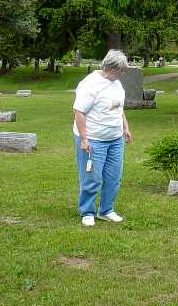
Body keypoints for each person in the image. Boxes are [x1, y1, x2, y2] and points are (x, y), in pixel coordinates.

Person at [72, 49, 132, 226]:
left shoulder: (117, 83)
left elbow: (118, 109)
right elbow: (79, 112)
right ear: (112, 68)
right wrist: (84, 139)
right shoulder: (90, 84)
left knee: (114, 177)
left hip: (114, 139)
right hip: (93, 139)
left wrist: (125, 128)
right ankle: (87, 212)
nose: (123, 73)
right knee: (92, 178)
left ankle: (106, 210)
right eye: (121, 70)